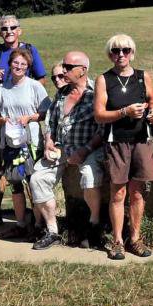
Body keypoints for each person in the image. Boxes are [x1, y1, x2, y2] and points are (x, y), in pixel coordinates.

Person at [30, 51, 107, 250]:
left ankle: (94, 224)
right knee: (37, 179)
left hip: (89, 147)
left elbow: (103, 129)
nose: (63, 71)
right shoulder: (62, 93)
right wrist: (49, 140)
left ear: (83, 70)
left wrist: (85, 150)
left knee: (89, 175)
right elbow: (51, 121)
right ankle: (52, 231)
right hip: (61, 148)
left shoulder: (96, 93)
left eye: (68, 67)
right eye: (63, 66)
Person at [94, 34, 153, 260]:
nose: (120, 54)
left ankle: (135, 238)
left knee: (138, 193)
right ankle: (117, 241)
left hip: (141, 140)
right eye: (115, 51)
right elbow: (99, 115)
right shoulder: (104, 79)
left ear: (132, 53)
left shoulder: (143, 77)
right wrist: (125, 112)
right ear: (110, 54)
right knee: (118, 193)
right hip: (116, 142)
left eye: (125, 50)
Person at [0, 15, 47, 227]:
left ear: (20, 30)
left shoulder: (30, 49)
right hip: (1, 116)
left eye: (12, 27)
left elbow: (41, 78)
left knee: (31, 168)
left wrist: (26, 91)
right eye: (4, 28)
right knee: (0, 164)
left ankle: (36, 217)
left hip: (26, 119)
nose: (8, 31)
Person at [0, 47, 50, 240]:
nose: (19, 66)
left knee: (33, 182)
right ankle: (20, 224)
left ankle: (39, 225)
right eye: (15, 62)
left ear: (28, 67)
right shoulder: (1, 88)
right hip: (10, 142)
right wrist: (3, 120)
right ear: (10, 64)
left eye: (23, 64)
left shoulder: (35, 86)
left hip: (31, 142)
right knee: (15, 183)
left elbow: (46, 113)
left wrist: (29, 117)